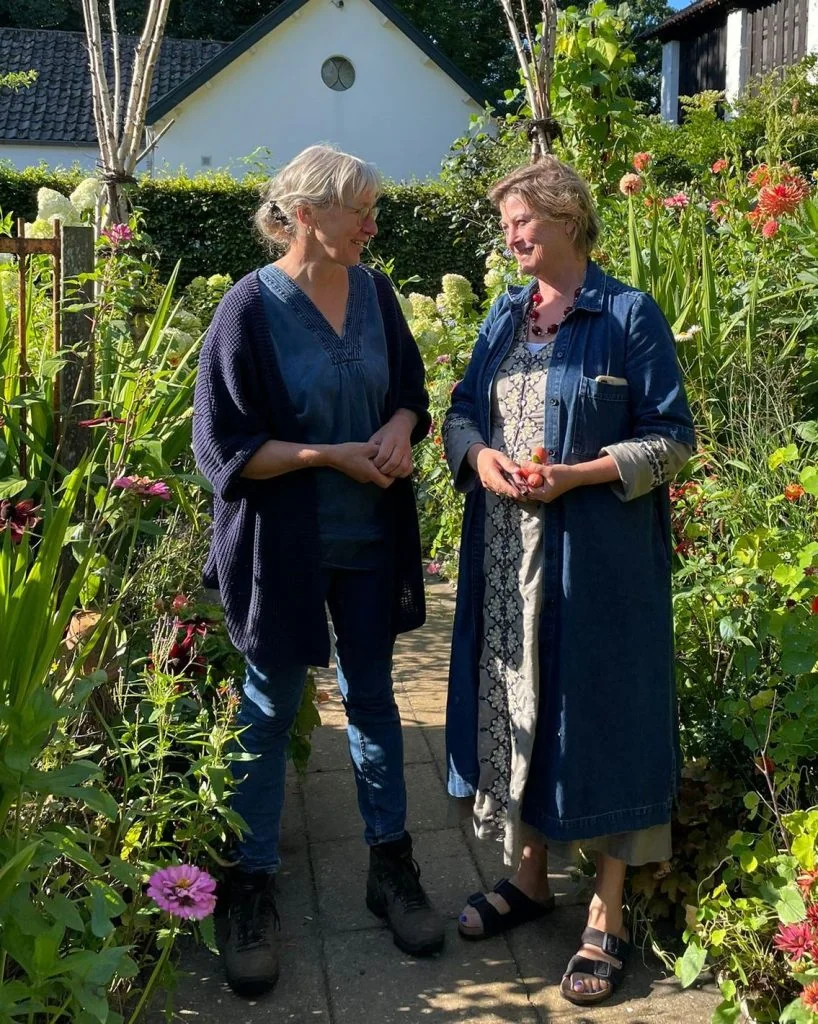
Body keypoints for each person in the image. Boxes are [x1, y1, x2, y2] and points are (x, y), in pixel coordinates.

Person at [192, 144, 443, 998]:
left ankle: (391, 867)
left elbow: (409, 389)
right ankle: (249, 884)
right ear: (303, 213)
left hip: (370, 540)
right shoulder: (247, 311)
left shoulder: (377, 293)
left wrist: (402, 427)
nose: (374, 225)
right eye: (359, 210)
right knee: (268, 710)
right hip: (284, 547)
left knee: (375, 701)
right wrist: (329, 456)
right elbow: (224, 451)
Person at [442, 156, 695, 1006]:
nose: (512, 236)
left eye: (523, 221)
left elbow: (673, 440)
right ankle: (527, 878)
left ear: (568, 218)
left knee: (603, 715)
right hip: (509, 560)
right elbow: (462, 409)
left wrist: (581, 474)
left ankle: (606, 914)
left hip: (600, 568)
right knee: (525, 706)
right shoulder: (506, 315)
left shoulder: (626, 314)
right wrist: (478, 456)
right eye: (507, 223)